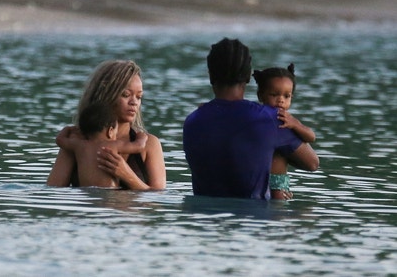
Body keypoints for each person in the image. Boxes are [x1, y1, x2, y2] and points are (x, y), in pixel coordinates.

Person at [183, 38, 319, 200]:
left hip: (203, 220)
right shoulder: (269, 119)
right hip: (254, 219)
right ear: (248, 77)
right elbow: (312, 163)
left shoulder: (192, 121)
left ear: (211, 76)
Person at [47, 60, 166, 190]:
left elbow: (157, 201)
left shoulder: (149, 144)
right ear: (105, 95)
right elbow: (53, 192)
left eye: (139, 97)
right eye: (125, 95)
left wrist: (126, 175)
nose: (134, 102)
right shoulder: (77, 141)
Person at [253, 64, 316, 199]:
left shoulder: (289, 121)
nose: (281, 100)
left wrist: (296, 125)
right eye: (274, 94)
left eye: (287, 96)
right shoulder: (266, 120)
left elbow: (311, 136)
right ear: (260, 95)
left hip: (277, 181)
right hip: (267, 181)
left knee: (278, 213)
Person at [55, 102, 148, 187]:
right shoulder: (113, 145)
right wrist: (142, 136)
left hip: (85, 193)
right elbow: (139, 146)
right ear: (110, 131)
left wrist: (68, 129)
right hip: (108, 194)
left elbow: (60, 140)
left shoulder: (78, 145)